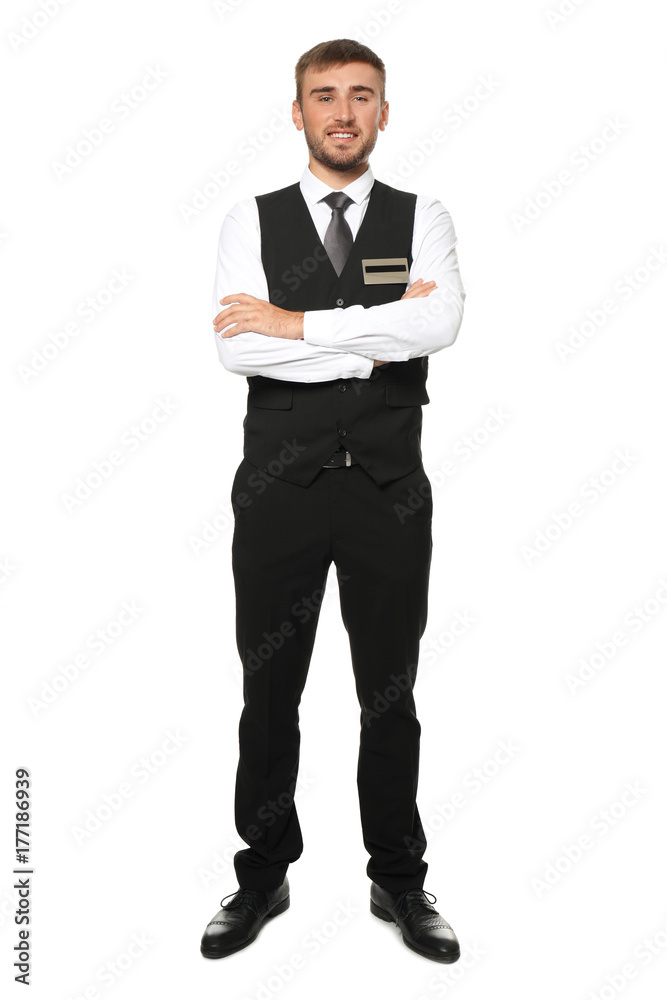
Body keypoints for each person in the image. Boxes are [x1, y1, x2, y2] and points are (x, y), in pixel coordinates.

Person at [201, 38, 466, 963]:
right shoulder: (250, 219)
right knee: (269, 690)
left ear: (384, 112)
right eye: (324, 96)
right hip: (279, 491)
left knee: (388, 693)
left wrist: (300, 325)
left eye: (361, 96)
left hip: (389, 493)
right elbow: (239, 349)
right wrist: (375, 338)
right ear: (298, 112)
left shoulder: (420, 213)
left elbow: (440, 323)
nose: (343, 112)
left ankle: (398, 879)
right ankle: (261, 872)